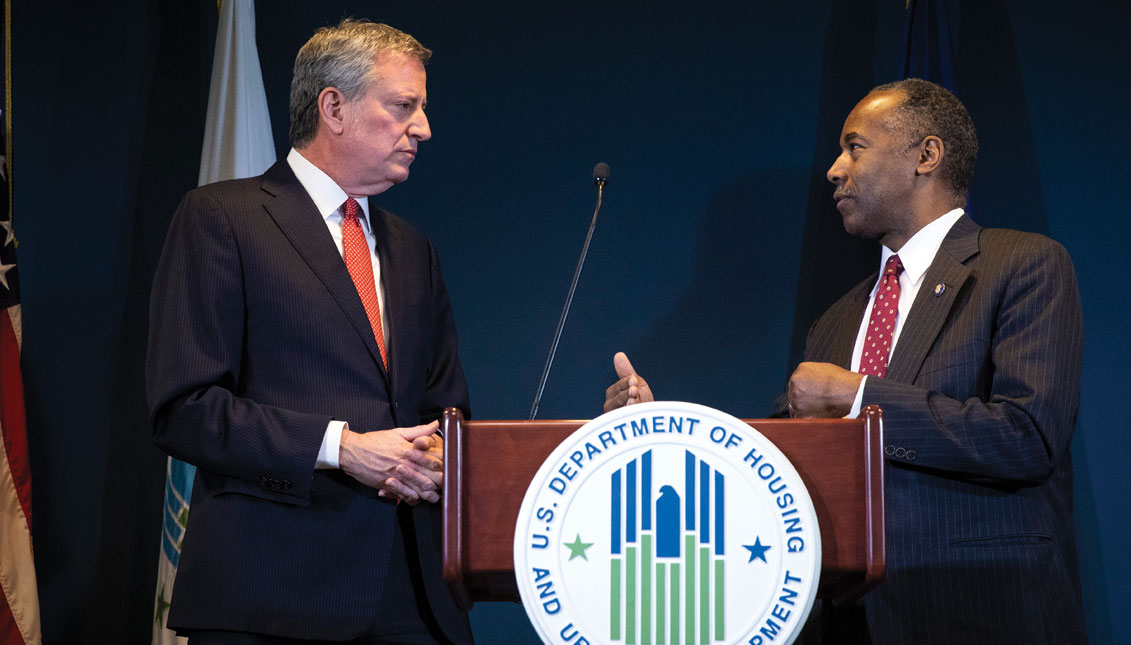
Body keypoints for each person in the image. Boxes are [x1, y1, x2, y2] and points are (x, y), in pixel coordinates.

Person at [605, 79, 1086, 643]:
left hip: (979, 610)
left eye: (854, 147)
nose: (834, 170)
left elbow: (1029, 437)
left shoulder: (1023, 264)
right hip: (845, 620)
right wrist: (665, 428)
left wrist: (860, 397)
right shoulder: (836, 320)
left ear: (926, 156)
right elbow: (781, 463)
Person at [147, 20, 472, 644]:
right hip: (273, 599)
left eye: (422, 108)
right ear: (334, 107)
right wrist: (341, 446)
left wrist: (609, 426)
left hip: (416, 604)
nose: (424, 128)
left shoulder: (413, 250)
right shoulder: (222, 219)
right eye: (405, 106)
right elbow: (183, 409)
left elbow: (446, 408)